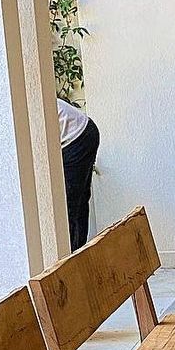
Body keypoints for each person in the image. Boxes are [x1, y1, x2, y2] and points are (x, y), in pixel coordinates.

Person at [58, 96, 99, 251]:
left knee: (69, 204)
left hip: (77, 138)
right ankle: (78, 253)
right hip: (85, 131)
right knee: (78, 202)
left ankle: (71, 256)